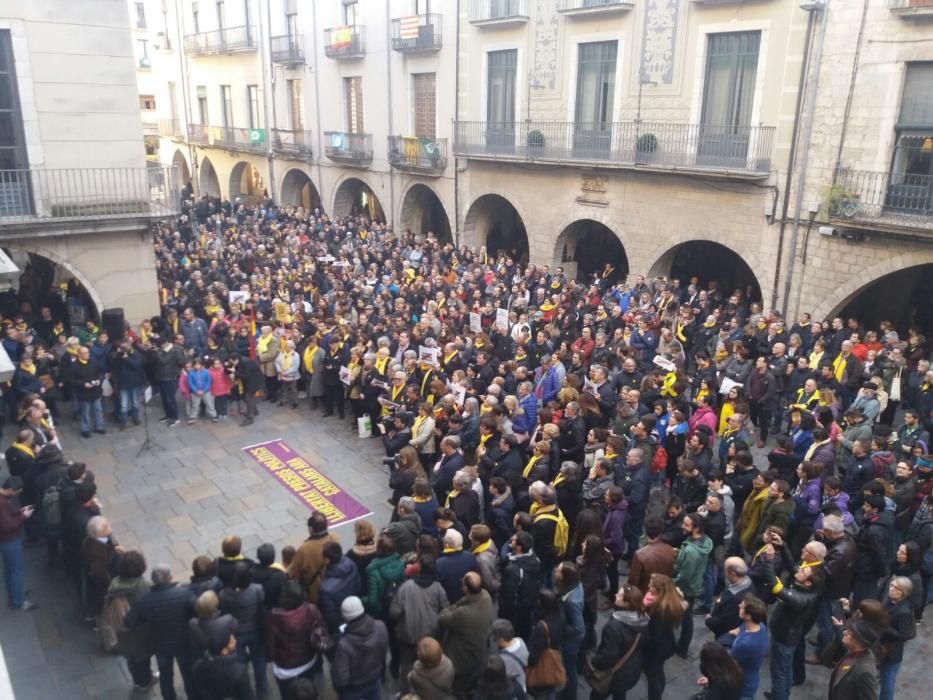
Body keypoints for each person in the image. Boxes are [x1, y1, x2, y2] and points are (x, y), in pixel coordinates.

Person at [125, 564, 198, 700]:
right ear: (170, 577)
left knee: (165, 675)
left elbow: (129, 622)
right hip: (183, 642)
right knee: (187, 673)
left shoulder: (144, 599)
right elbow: (198, 609)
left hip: (160, 644)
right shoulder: (183, 593)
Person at [389, 553, 449, 691]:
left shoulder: (405, 587)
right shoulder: (438, 588)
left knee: (406, 667)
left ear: (419, 568)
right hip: (431, 637)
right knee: (431, 667)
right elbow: (446, 610)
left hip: (408, 636)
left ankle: (405, 693)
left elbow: (394, 612)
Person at [267, 579, 326, 698]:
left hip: (285, 668)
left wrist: (271, 657)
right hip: (308, 660)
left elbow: (270, 647)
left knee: (287, 695)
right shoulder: (311, 609)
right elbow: (321, 631)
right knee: (306, 691)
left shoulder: (273, 618)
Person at [588, 583, 648, 700]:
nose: (615, 595)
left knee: (597, 696)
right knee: (620, 694)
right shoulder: (643, 619)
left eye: (619, 595)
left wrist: (594, 660)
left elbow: (608, 657)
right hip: (631, 669)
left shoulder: (614, 627)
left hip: (615, 675)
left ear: (626, 603)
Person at [438, 572, 494, 696]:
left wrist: (452, 607)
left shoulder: (464, 614)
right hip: (478, 651)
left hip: (461, 657)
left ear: (465, 589)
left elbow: (443, 617)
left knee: (459, 687)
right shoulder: (485, 596)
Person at [218, 562, 267, 699]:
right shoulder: (257, 589)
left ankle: (245, 693)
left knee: (240, 663)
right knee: (259, 660)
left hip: (236, 634)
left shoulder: (224, 594)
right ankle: (262, 691)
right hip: (255, 631)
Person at [330, 596, 389, 700]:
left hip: (353, 689)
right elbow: (383, 651)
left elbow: (342, 678)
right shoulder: (380, 626)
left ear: (345, 617)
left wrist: (338, 688)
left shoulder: (344, 644)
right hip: (375, 679)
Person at [673, 512, 712, 658]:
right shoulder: (705, 540)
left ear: (695, 529)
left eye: (686, 525)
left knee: (686, 618)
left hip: (686, 588)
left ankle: (682, 648)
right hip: (695, 584)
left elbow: (684, 576)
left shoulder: (691, 552)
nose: (682, 526)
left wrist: (670, 581)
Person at [642, 573, 684, 700]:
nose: (649, 586)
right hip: (667, 645)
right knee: (659, 671)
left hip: (657, 650)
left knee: (652, 676)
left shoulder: (659, 609)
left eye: (651, 585)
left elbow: (655, 635)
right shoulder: (671, 601)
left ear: (658, 590)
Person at [0, 476, 38, 611]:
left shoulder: (3, 499)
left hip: (5, 540)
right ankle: (18, 601)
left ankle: (15, 593)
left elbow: (7, 516)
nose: (17, 494)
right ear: (11, 489)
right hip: (8, 540)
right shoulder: (2, 503)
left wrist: (20, 510)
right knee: (16, 571)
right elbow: (7, 526)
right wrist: (24, 516)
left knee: (10, 570)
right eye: (17, 492)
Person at [191, 622, 255, 700]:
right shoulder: (239, 671)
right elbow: (247, 696)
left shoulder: (197, 667)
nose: (235, 641)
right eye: (231, 641)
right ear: (224, 651)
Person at [287, 513, 338, 604]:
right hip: (334, 585)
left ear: (311, 529)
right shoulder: (334, 538)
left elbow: (293, 573)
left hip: (315, 593)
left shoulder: (304, 549)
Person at [500, 530, 541, 640]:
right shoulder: (535, 559)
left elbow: (509, 595)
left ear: (519, 547)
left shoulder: (513, 570)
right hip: (530, 601)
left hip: (517, 608)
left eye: (513, 540)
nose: (511, 540)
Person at [879, 576, 915, 700]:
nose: (891, 589)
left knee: (888, 680)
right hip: (881, 644)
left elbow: (905, 635)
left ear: (903, 593)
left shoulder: (904, 611)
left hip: (891, 651)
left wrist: (885, 628)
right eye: (892, 585)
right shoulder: (889, 599)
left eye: (896, 588)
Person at [726, 595, 768, 700]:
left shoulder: (744, 645)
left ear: (748, 616)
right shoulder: (761, 627)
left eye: (742, 607)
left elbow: (730, 665)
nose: (739, 606)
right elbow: (742, 628)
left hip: (742, 684)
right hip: (752, 678)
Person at [827, 620, 879, 700]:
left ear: (858, 642)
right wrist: (839, 627)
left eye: (849, 633)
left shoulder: (864, 672)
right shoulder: (856, 650)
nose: (844, 632)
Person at [318, 541, 361, 634]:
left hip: (341, 621)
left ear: (327, 560)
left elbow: (331, 617)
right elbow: (358, 586)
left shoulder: (325, 589)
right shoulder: (351, 564)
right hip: (354, 609)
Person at [627, 516, 675, 593]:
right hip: (663, 592)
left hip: (645, 593)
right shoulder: (670, 550)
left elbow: (633, 581)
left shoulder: (640, 555)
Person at [491, 618, 529, 692]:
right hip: (523, 685)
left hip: (514, 691)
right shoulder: (520, 641)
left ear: (501, 639)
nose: (494, 641)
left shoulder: (503, 659)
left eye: (495, 639)